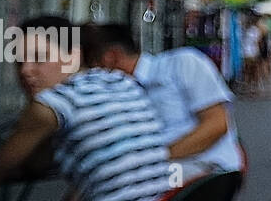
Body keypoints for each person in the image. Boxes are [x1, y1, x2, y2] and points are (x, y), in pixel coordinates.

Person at [0, 16, 171, 201]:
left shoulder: (53, 105)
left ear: (73, 56)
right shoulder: (121, 81)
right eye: (19, 61)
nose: (25, 70)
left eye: (39, 58)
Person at [83, 23, 244, 181]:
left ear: (110, 57)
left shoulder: (182, 63)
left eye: (92, 67)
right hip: (164, 169)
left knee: (120, 184)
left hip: (202, 167)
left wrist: (156, 158)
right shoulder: (118, 91)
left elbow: (217, 124)